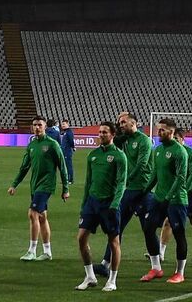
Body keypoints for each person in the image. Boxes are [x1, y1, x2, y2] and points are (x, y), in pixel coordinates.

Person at [97, 111, 153, 274]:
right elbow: (112, 141)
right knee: (119, 226)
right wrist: (117, 126)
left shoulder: (144, 141)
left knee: (145, 228)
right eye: (119, 123)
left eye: (123, 122)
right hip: (130, 189)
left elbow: (142, 165)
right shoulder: (125, 139)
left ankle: (156, 265)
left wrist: (125, 181)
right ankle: (106, 263)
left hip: (140, 188)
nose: (121, 125)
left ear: (134, 123)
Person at [8, 115, 70, 261]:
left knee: (32, 214)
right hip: (34, 185)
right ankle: (47, 252)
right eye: (34, 125)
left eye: (39, 125)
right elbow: (24, 167)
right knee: (42, 217)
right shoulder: (32, 145)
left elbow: (62, 166)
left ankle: (32, 250)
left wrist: (65, 188)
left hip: (46, 185)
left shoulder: (52, 144)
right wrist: (14, 184)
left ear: (45, 127)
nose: (37, 127)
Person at [76, 121, 128, 291]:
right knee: (81, 238)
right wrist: (84, 205)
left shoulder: (120, 156)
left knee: (114, 241)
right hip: (92, 202)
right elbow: (88, 182)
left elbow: (121, 183)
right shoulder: (92, 155)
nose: (101, 135)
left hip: (109, 204)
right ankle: (90, 276)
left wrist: (115, 204)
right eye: (100, 132)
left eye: (105, 132)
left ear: (113, 134)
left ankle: (112, 279)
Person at [140, 117, 189, 284]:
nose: (158, 132)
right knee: (148, 228)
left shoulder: (179, 151)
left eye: (162, 130)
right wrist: (144, 192)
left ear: (171, 131)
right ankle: (156, 268)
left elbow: (181, 178)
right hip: (158, 198)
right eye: (158, 129)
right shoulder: (158, 150)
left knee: (179, 234)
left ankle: (179, 272)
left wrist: (168, 198)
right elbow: (155, 174)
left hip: (176, 200)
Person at [160, 127, 192, 264]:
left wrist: (184, 190)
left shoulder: (191, 154)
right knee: (168, 221)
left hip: (190, 194)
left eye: (177, 139)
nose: (174, 141)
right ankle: (161, 253)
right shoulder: (169, 152)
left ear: (182, 139)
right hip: (175, 194)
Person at [59, 119, 77, 184]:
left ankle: (70, 180)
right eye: (62, 124)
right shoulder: (65, 132)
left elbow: (71, 141)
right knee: (64, 166)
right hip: (64, 151)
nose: (62, 125)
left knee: (68, 165)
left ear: (67, 124)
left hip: (67, 151)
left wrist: (73, 147)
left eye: (64, 124)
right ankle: (66, 179)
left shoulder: (69, 132)